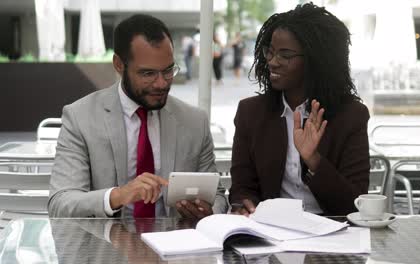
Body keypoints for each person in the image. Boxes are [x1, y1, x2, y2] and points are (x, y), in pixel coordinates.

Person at [48, 14, 227, 219]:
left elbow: (218, 196)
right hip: (106, 247)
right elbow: (60, 203)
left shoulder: (195, 121)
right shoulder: (80, 117)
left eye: (168, 71)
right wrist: (117, 196)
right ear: (119, 65)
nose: (161, 83)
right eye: (148, 74)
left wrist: (208, 211)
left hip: (176, 244)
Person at [229, 2, 370, 216]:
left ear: (317, 60)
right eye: (270, 52)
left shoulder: (351, 116)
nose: (272, 62)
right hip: (271, 232)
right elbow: (242, 187)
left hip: (334, 235)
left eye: (285, 55)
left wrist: (313, 160)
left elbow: (354, 204)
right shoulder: (251, 113)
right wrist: (244, 206)